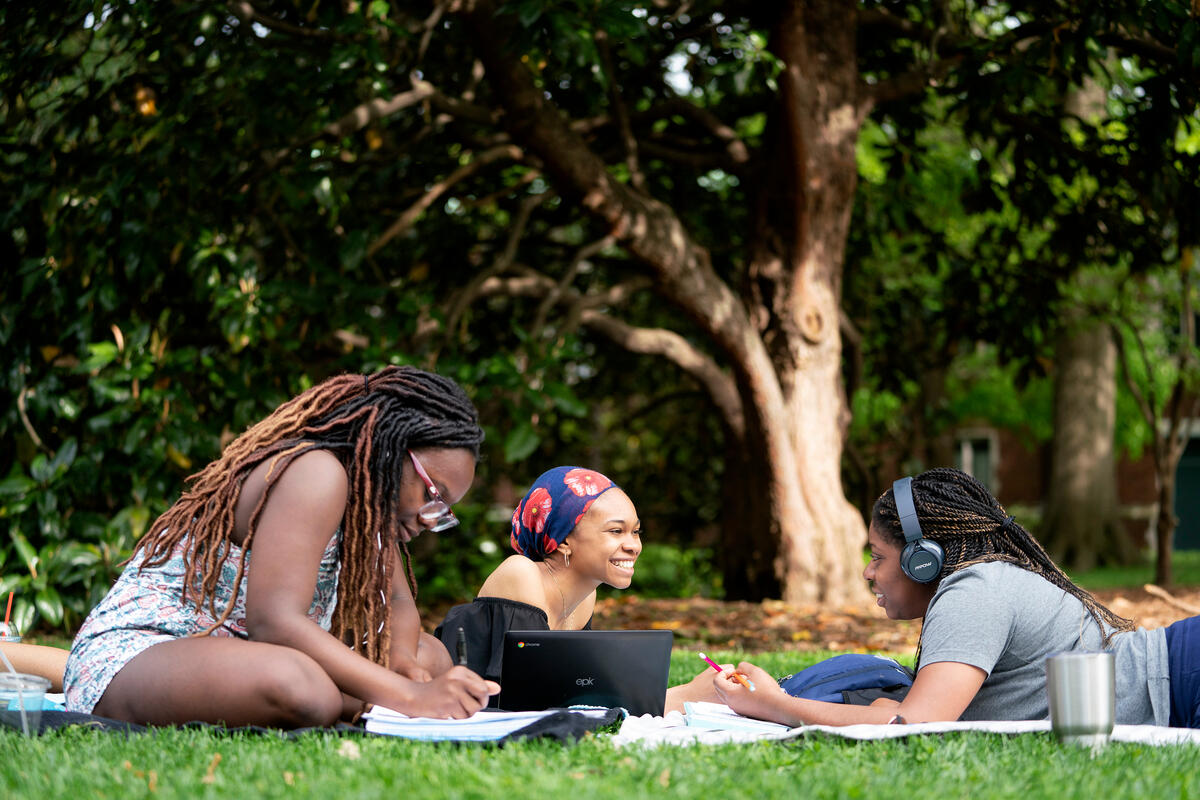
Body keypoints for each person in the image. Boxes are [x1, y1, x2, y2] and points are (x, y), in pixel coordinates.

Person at [63, 366, 499, 727]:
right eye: (432, 494)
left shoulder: (372, 510)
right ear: (390, 449)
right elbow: (275, 622)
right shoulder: (316, 473)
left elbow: (399, 601)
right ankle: (366, 703)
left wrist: (405, 662)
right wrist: (409, 694)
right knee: (303, 688)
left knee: (433, 655)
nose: (430, 517)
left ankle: (366, 701)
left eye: (443, 509)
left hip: (245, 653)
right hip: (145, 653)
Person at [710, 467, 1199, 728]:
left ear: (923, 558)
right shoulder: (979, 583)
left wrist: (776, 706)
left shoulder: (975, 590)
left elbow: (914, 725)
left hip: (1185, 681)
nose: (868, 572)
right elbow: (911, 713)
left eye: (878, 556)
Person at [434, 466, 641, 685]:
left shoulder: (586, 597)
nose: (633, 546)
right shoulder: (522, 573)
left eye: (636, 532)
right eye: (616, 531)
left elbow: (570, 686)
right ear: (563, 541)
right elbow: (527, 690)